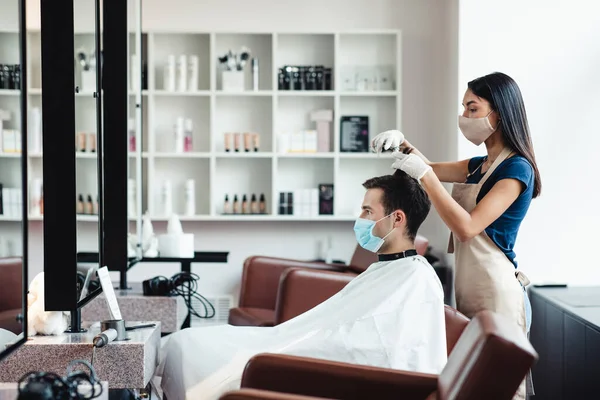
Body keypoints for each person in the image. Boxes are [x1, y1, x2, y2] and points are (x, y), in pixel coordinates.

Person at [156, 170, 447, 400]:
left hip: (319, 362)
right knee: (188, 341)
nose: (360, 220)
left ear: (397, 218)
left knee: (190, 346)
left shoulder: (416, 279)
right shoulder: (387, 268)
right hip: (298, 343)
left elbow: (395, 354)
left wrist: (310, 345)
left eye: (367, 212)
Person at [371, 71, 540, 399]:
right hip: (470, 285)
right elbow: (430, 167)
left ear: (500, 114)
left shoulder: (516, 169)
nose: (464, 117)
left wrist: (426, 178)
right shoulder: (481, 165)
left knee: (499, 391)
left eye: (472, 109)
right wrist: (404, 145)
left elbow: (466, 227)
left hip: (497, 292)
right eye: (463, 108)